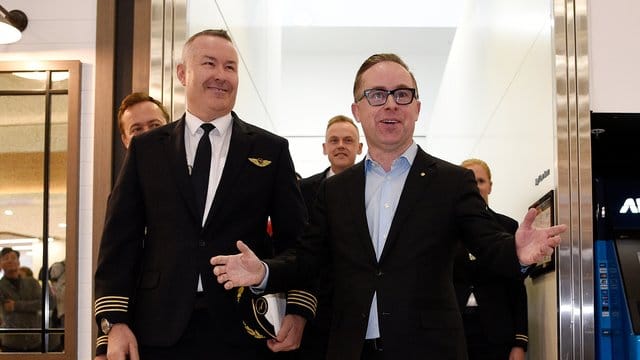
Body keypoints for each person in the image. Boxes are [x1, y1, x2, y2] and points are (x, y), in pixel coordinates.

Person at [211, 53, 566, 359]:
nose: (391, 104)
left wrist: (516, 252)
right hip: (350, 348)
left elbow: (488, 243)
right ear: (358, 110)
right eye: (377, 95)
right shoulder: (336, 191)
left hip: (429, 349)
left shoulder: (451, 181)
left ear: (417, 107)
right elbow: (307, 258)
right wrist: (265, 272)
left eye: (402, 94)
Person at [94, 29, 314, 360]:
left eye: (230, 67)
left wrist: (298, 310)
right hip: (158, 330)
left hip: (245, 331)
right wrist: (113, 326)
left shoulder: (271, 150)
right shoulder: (146, 149)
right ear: (183, 73)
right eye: (209, 63)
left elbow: (298, 242)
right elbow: (118, 243)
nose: (221, 76)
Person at [296, 115, 362, 359]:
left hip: (359, 303)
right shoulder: (304, 190)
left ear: (359, 147)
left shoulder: (375, 189)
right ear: (325, 148)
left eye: (348, 140)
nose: (341, 145)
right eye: (334, 140)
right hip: (315, 304)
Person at [453, 159, 528, 360]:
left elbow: (516, 286)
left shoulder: (508, 227)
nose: (475, 187)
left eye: (480, 181)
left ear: (490, 186)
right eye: (469, 181)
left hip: (497, 333)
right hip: (453, 331)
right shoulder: (444, 230)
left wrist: (520, 342)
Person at [0, 247, 42, 352]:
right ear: (0, 264)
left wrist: (16, 305)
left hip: (34, 341)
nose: (10, 260)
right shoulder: (1, 286)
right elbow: (5, 308)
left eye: (13, 258)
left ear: (19, 262)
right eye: (6, 258)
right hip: (11, 342)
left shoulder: (32, 282)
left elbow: (42, 304)